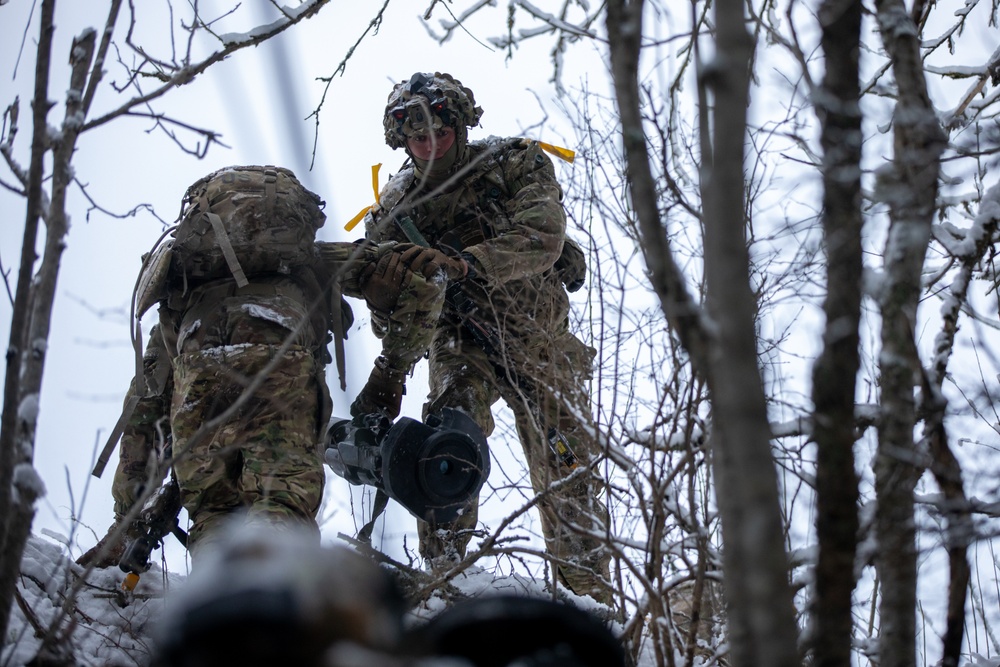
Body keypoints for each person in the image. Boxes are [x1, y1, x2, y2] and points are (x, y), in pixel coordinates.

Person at [346, 72, 611, 603]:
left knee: (569, 471)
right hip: (459, 342)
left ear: (461, 125)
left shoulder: (513, 162)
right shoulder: (395, 211)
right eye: (417, 139)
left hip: (537, 336)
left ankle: (592, 602)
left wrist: (467, 265)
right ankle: (446, 576)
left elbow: (541, 235)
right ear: (402, 142)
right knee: (450, 440)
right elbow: (393, 323)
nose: (430, 147)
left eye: (439, 133)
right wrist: (384, 298)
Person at [80, 165, 381, 567]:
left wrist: (124, 520)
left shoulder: (182, 287)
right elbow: (415, 274)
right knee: (281, 502)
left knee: (213, 515)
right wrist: (390, 373)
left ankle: (223, 612)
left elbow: (144, 407)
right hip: (281, 366)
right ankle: (278, 607)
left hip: (198, 373)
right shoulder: (311, 260)